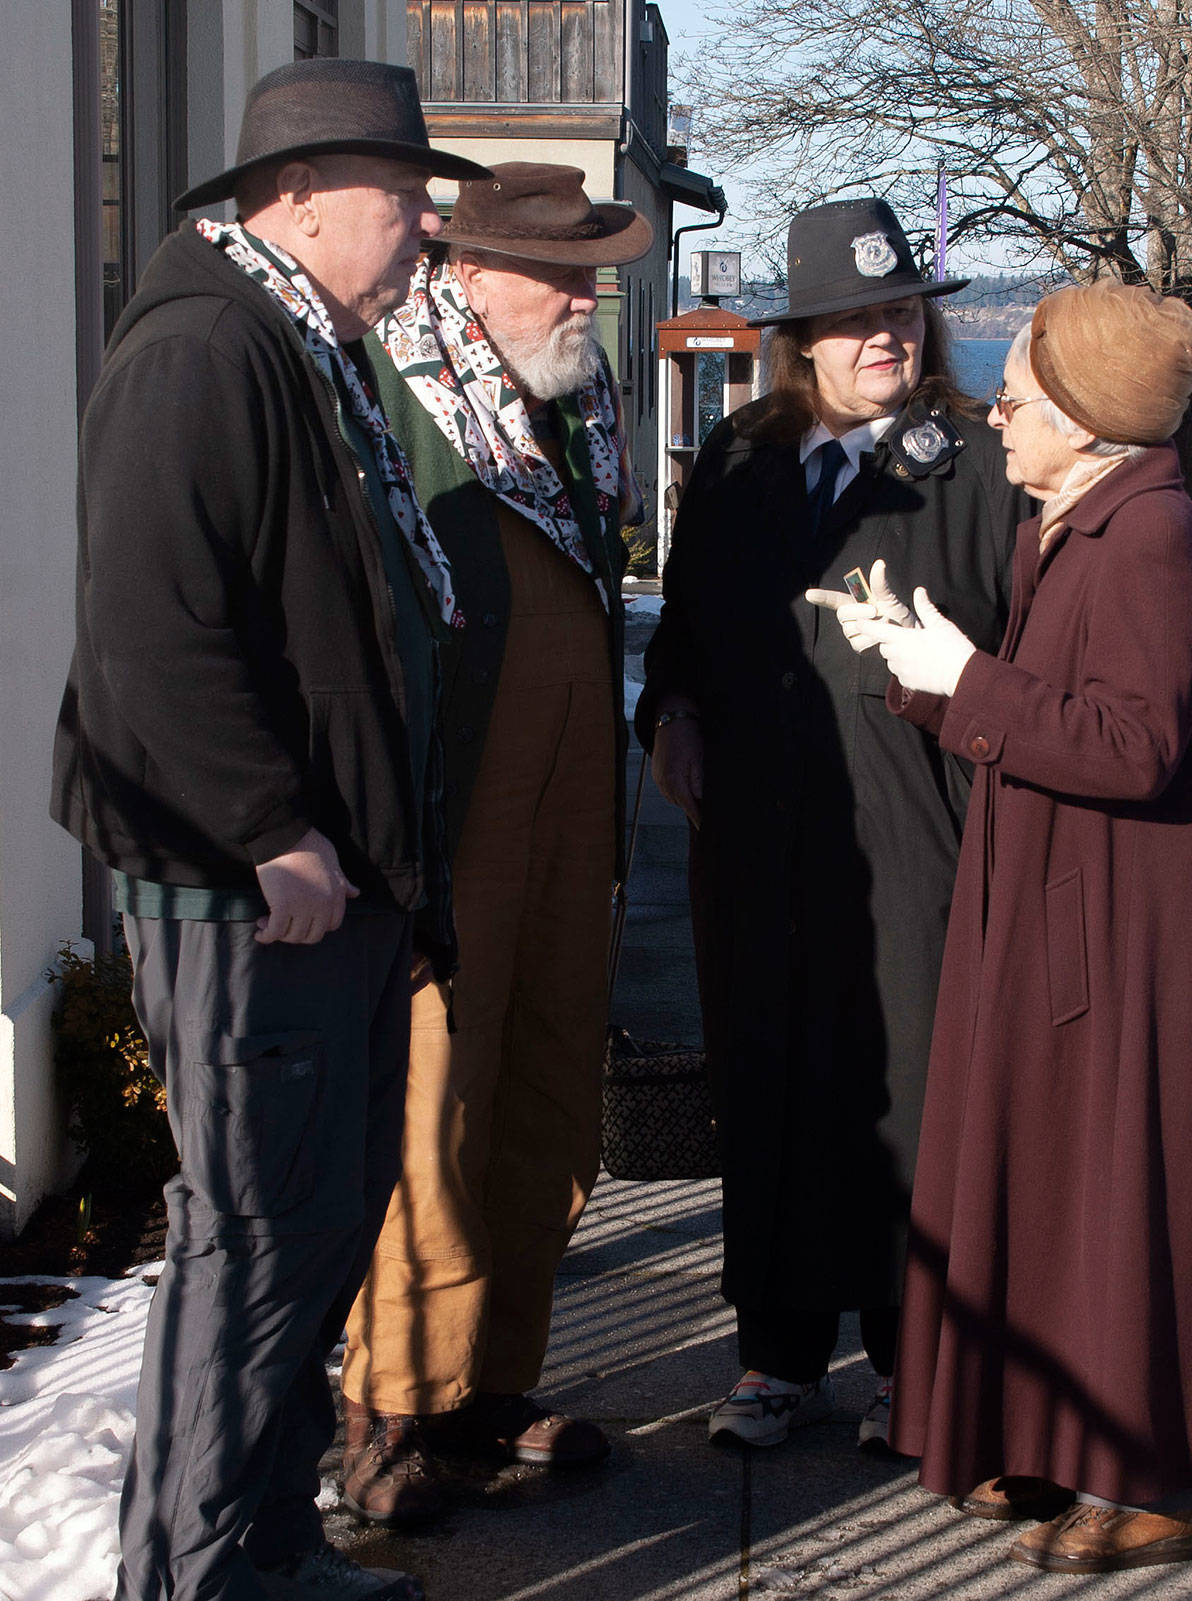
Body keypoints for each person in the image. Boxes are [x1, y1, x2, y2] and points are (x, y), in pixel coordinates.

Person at [49, 58, 491, 1601]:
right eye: (404, 206)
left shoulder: (298, 345)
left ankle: (273, 1545)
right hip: (260, 901)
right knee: (256, 1247)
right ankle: (208, 1573)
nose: (426, 235)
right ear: (297, 203)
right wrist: (272, 829)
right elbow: (150, 637)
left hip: (334, 893)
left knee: (308, 1236)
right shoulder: (204, 350)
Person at [821, 281, 1192, 1571]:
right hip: (1055, 906)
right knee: (1044, 1176)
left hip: (1116, 932)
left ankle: (1144, 1479)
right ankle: (1042, 1434)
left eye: (1017, 398)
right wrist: (937, 675)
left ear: (1082, 420)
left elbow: (1130, 745)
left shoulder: (1147, 540)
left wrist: (960, 680)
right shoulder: (1071, 522)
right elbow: (1052, 708)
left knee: (1111, 1185)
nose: (998, 417)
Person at [636, 199, 1024, 1451]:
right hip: (757, 843)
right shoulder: (741, 467)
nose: (882, 337)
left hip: (918, 836)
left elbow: (1023, 659)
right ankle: (777, 1354)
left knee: (907, 1092)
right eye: (854, 319)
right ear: (800, 337)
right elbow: (682, 634)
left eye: (900, 312)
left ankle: (912, 1364)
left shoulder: (975, 467)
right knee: (771, 1082)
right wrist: (673, 713)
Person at [337, 163, 653, 1524]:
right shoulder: (393, 400)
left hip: (572, 820)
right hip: (452, 821)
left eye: (591, 272)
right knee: (432, 1106)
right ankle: (389, 1410)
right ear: (466, 272)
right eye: (557, 273)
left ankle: (489, 1385)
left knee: (545, 1091)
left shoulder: (581, 415)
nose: (584, 297)